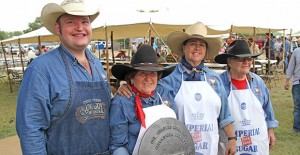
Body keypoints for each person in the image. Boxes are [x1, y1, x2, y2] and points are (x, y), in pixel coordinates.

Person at [117, 22, 236, 155]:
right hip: (175, 148)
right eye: (192, 43)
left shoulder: (215, 79)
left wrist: (232, 139)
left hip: (210, 147)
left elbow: (225, 115)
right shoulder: (167, 77)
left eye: (202, 44)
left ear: (206, 50)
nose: (197, 48)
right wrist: (126, 85)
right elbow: (145, 90)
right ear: (183, 47)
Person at [16, 0, 111, 154]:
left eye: (84, 21)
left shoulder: (97, 64)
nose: (79, 27)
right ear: (58, 29)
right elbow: (30, 129)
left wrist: (123, 92)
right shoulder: (41, 69)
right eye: (70, 22)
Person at [110, 44, 177, 154]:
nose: (148, 78)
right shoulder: (121, 102)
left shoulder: (164, 92)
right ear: (132, 76)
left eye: (152, 73)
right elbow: (117, 146)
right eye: (142, 73)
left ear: (158, 77)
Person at [214, 39, 278, 154]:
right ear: (229, 62)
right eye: (241, 59)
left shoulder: (257, 81)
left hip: (256, 141)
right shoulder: (220, 83)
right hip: (231, 143)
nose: (246, 62)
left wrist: (270, 130)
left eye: (249, 58)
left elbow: (267, 107)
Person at [284, 38, 300, 133]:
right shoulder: (296, 51)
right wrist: (287, 80)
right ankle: (296, 128)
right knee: (297, 107)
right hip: (297, 83)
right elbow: (291, 66)